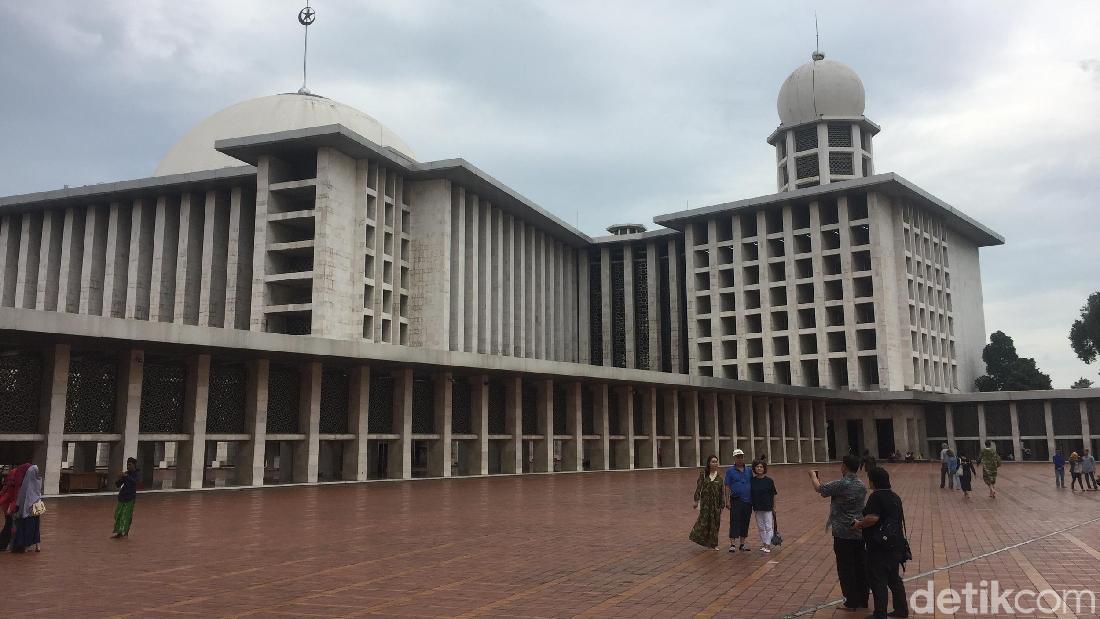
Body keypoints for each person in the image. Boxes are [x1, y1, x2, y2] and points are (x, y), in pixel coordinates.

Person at [811, 454, 869, 612]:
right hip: (858, 531)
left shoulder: (842, 484)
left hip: (843, 532)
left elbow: (819, 488)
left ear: (844, 466)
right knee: (860, 566)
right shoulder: (861, 485)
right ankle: (863, 599)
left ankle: (851, 601)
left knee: (845, 567)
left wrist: (813, 475)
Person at [854, 467, 909, 619]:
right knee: (893, 578)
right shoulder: (894, 496)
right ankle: (901, 609)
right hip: (895, 543)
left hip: (879, 545)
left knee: (878, 579)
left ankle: (880, 613)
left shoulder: (876, 497)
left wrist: (858, 524)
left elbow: (872, 518)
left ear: (873, 481)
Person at [689, 455, 724, 550]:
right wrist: (696, 501)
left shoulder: (719, 477)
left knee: (715, 524)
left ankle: (713, 544)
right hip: (705, 504)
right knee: (703, 522)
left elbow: (721, 492)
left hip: (715, 505)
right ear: (709, 463)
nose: (715, 463)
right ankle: (701, 539)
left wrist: (722, 505)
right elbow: (699, 487)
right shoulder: (703, 474)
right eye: (713, 461)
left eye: (716, 461)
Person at [724, 448, 753, 553]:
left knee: (745, 521)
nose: (740, 459)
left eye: (741, 457)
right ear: (734, 458)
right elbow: (727, 486)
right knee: (734, 521)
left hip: (748, 500)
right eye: (737, 457)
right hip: (736, 500)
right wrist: (727, 500)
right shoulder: (730, 471)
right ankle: (732, 544)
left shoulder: (749, 470)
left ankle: (742, 543)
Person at [11, 463, 42, 553]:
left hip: (27, 509)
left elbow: (23, 496)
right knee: (36, 527)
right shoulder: (38, 480)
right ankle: (37, 545)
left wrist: (17, 507)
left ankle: (26, 546)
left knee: (27, 527)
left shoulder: (27, 483)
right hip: (36, 508)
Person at [0, 463, 30, 551]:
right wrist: (12, 506)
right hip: (11, 504)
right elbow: (12, 493)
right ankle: (5, 544)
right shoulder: (17, 477)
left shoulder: (15, 474)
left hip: (10, 503)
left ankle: (8, 544)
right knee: (10, 525)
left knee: (10, 524)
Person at [750, 461, 778, 553]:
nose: (759, 468)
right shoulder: (752, 480)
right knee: (761, 526)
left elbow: (773, 494)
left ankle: (768, 545)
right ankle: (764, 543)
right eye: (757, 467)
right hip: (757, 507)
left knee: (768, 526)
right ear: (754, 468)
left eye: (761, 467)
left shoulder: (769, 481)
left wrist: (774, 507)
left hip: (767, 507)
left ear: (764, 468)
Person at [112, 457, 141, 538]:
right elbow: (118, 485)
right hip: (122, 497)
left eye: (129, 465)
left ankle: (125, 532)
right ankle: (119, 532)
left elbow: (134, 482)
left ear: (134, 465)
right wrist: (119, 478)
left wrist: (126, 476)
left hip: (130, 498)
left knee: (127, 515)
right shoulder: (126, 473)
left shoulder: (136, 474)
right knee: (118, 514)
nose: (128, 466)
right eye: (127, 464)